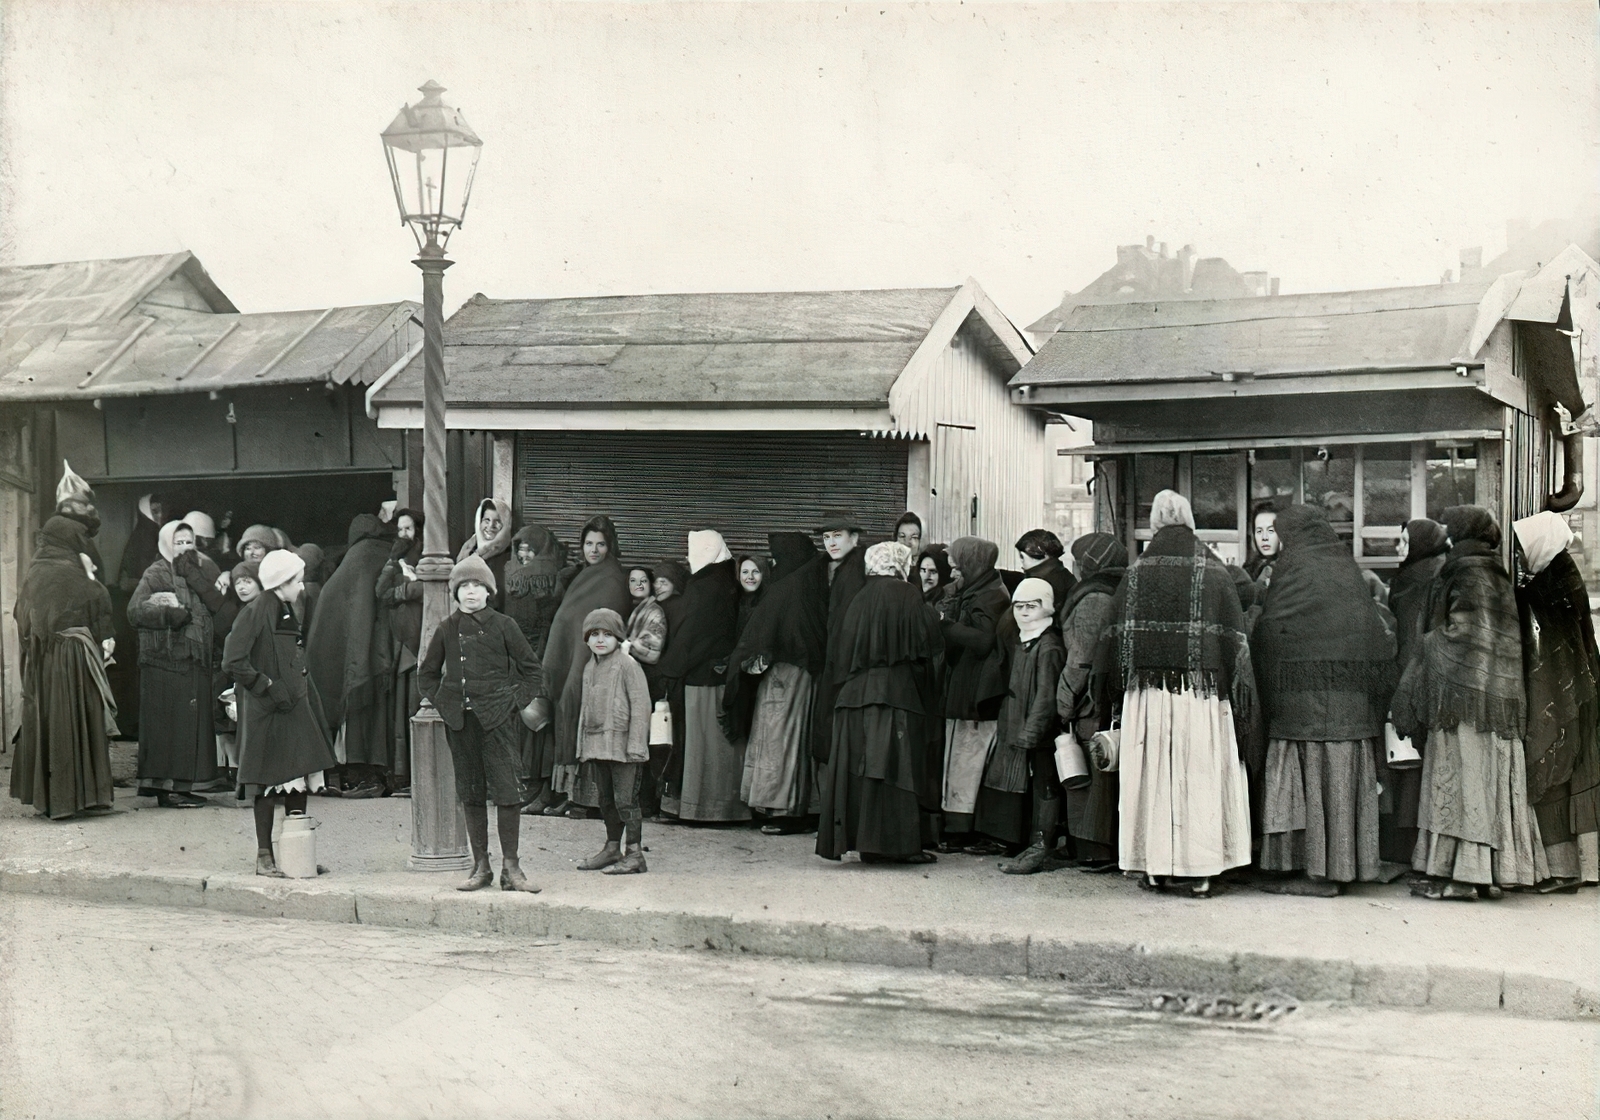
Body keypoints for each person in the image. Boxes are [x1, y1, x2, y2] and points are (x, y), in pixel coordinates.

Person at [1099, 490, 1254, 897]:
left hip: (1147, 697)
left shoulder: (1135, 574)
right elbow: (1234, 644)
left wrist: (1117, 694)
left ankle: (1153, 867)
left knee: (1151, 776)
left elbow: (1112, 644)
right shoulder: (1214, 570)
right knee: (1199, 776)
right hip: (1199, 697)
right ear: (1190, 520)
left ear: (1153, 524)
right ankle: (1201, 871)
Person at [1391, 506, 1547, 900]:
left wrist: (1429, 640)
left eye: (1449, 527)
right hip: (1498, 700)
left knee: (1464, 785)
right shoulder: (1495, 572)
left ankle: (1466, 878)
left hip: (1465, 703)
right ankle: (1488, 873)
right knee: (1486, 786)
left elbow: (1461, 634)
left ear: (1462, 533)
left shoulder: (1465, 571)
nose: (1444, 533)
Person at [1252, 505, 1397, 896]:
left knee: (1306, 790)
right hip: (1351, 710)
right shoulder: (1345, 568)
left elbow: (1271, 632)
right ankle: (1346, 867)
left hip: (1300, 707)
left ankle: (1311, 873)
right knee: (1340, 790)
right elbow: (1372, 633)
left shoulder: (1292, 570)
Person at [417, 555, 543, 892]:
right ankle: (481, 866)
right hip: (462, 724)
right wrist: (446, 705)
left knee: (507, 791)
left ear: (490, 591)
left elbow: (533, 671)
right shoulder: (447, 628)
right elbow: (427, 675)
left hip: (498, 723)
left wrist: (512, 703)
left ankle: (512, 869)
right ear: (455, 593)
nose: (471, 593)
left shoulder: (504, 626)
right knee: (471, 793)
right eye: (464, 587)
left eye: (477, 586)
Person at [816, 541, 944, 865]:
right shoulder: (907, 594)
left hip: (853, 697)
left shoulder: (858, 598)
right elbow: (928, 643)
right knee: (895, 770)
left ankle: (866, 844)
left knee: (861, 772)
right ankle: (900, 847)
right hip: (895, 695)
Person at [222, 550, 337, 876]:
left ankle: (295, 852)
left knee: (296, 779)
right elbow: (233, 661)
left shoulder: (284, 608)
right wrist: (267, 686)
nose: (300, 588)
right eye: (296, 582)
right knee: (267, 785)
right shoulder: (255, 612)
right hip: (268, 710)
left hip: (292, 707)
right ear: (281, 583)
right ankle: (264, 856)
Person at [9, 515, 117, 819]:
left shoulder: (37, 569)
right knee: (75, 721)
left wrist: (34, 649)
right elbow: (96, 598)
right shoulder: (66, 570)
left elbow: (22, 616)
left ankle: (58, 798)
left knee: (53, 721)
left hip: (45, 660)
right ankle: (73, 798)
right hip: (71, 657)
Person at [1513, 512, 1599, 889]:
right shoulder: (1560, 571)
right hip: (1577, 687)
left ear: (1538, 544)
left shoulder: (1553, 582)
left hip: (1566, 691)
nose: (1517, 556)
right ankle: (1569, 868)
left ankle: (1564, 870)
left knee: (1554, 768)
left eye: (1521, 548)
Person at [724, 531, 829, 833]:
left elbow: (769, 632)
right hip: (801, 673)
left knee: (781, 742)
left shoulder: (789, 587)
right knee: (789, 742)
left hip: (787, 674)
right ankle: (786, 807)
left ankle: (784, 810)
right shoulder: (809, 582)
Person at [130, 520, 226, 807]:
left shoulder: (198, 570)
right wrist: (170, 614)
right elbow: (135, 611)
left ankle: (180, 787)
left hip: (191, 660)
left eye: (188, 542)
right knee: (170, 727)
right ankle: (169, 790)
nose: (185, 548)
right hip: (165, 662)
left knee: (187, 727)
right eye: (178, 542)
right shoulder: (156, 572)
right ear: (165, 544)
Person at [974, 578, 1067, 872]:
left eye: (1032, 606)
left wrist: (1032, 731)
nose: (1024, 612)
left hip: (1036, 732)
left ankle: (1040, 847)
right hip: (1018, 726)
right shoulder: (1025, 640)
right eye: (1019, 606)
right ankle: (1029, 846)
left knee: (1043, 786)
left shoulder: (1048, 645)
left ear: (1046, 607)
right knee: (1027, 787)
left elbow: (1046, 696)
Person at [540, 516, 631, 816]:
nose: (594, 550)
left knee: (581, 716)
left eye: (601, 544)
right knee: (568, 715)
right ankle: (563, 793)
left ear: (611, 546)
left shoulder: (612, 578)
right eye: (589, 544)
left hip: (593, 663)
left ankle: (581, 799)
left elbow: (605, 624)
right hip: (574, 660)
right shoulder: (583, 575)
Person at [655, 530, 747, 822]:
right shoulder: (727, 581)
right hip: (720, 676)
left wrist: (670, 669)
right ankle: (724, 808)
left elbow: (691, 636)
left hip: (699, 678)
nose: (687, 556)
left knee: (699, 745)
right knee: (719, 747)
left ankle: (702, 809)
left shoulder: (703, 586)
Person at [306, 514, 396, 798]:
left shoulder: (348, 565)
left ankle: (355, 772)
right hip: (385, 652)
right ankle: (378, 772)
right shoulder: (383, 554)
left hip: (354, 665)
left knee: (358, 716)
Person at [1054, 532, 1128, 872]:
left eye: (1078, 560)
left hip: (1091, 702)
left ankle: (1094, 849)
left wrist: (1064, 701)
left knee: (1091, 770)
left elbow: (1080, 658)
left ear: (1090, 564)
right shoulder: (1121, 589)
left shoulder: (1093, 598)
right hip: (1111, 697)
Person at [1380, 517, 1450, 862]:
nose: (1399, 548)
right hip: (1424, 678)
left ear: (1421, 545)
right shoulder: (1425, 575)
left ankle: (1407, 849)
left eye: (1405, 541)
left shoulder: (1419, 581)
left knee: (1409, 768)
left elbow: (1410, 638)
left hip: (1413, 677)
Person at [938, 536, 1009, 848]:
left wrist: (944, 624)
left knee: (967, 762)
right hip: (967, 690)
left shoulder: (990, 596)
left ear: (971, 563)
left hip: (975, 695)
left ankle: (959, 829)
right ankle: (956, 826)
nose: (953, 571)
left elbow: (983, 641)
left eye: (957, 565)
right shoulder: (982, 588)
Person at [574, 608, 653, 875]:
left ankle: (634, 853)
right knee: (606, 799)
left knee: (625, 800)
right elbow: (586, 710)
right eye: (594, 634)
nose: (600, 640)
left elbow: (641, 706)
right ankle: (611, 847)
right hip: (599, 746)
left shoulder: (628, 665)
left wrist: (636, 745)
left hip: (623, 747)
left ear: (618, 638)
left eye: (608, 634)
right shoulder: (589, 667)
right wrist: (582, 746)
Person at [810, 512, 869, 770]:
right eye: (826, 537)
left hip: (846, 668)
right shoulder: (838, 568)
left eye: (837, 536)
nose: (831, 543)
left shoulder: (855, 571)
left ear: (854, 538)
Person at [374, 508, 425, 797]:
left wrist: (407, 591)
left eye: (409, 529)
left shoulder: (429, 558)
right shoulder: (396, 563)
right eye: (400, 529)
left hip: (423, 644)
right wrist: (407, 587)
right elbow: (381, 593)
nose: (404, 535)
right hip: (402, 646)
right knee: (403, 712)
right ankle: (404, 775)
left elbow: (434, 589)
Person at [211, 559, 262, 796]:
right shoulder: (237, 608)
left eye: (248, 581)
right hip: (237, 677)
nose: (242, 587)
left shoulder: (262, 609)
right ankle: (239, 775)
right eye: (238, 582)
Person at [504, 524, 567, 658]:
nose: (524, 555)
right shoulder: (508, 572)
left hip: (542, 646)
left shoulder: (552, 578)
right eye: (521, 549)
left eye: (530, 549)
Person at [457, 498, 513, 611]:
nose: (490, 526)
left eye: (497, 521)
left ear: (506, 525)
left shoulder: (510, 556)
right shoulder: (468, 549)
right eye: (486, 520)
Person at [1014, 529, 1076, 609]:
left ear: (1042, 555)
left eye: (1022, 556)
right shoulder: (1060, 573)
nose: (1021, 561)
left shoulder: (1041, 584)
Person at [1245, 502, 1280, 582]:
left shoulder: (1293, 570)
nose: (1264, 537)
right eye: (1259, 531)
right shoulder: (1247, 573)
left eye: (1271, 530)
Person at [735, 554, 767, 640]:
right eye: (745, 572)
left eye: (756, 572)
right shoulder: (732, 603)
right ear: (739, 575)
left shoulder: (768, 604)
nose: (750, 577)